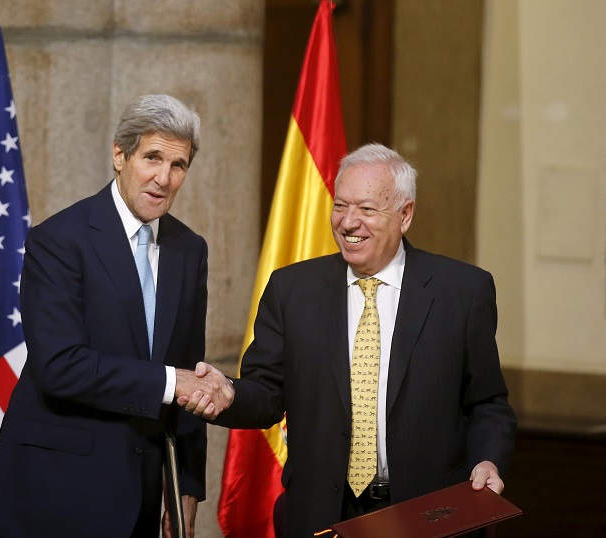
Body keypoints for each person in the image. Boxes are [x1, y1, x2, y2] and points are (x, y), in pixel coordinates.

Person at [189, 143, 517, 536]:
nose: (348, 222)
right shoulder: (292, 289)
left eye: (366, 209)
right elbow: (267, 393)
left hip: (425, 515)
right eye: (340, 206)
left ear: (405, 215)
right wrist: (228, 393)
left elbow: (488, 403)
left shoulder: (462, 292)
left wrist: (488, 461)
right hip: (321, 515)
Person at [0, 94, 234, 538]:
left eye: (178, 165)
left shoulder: (189, 250)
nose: (163, 178)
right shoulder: (58, 240)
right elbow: (60, 367)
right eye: (152, 157)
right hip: (53, 494)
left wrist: (186, 488)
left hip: (142, 496)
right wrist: (172, 383)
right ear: (120, 154)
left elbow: (192, 369)